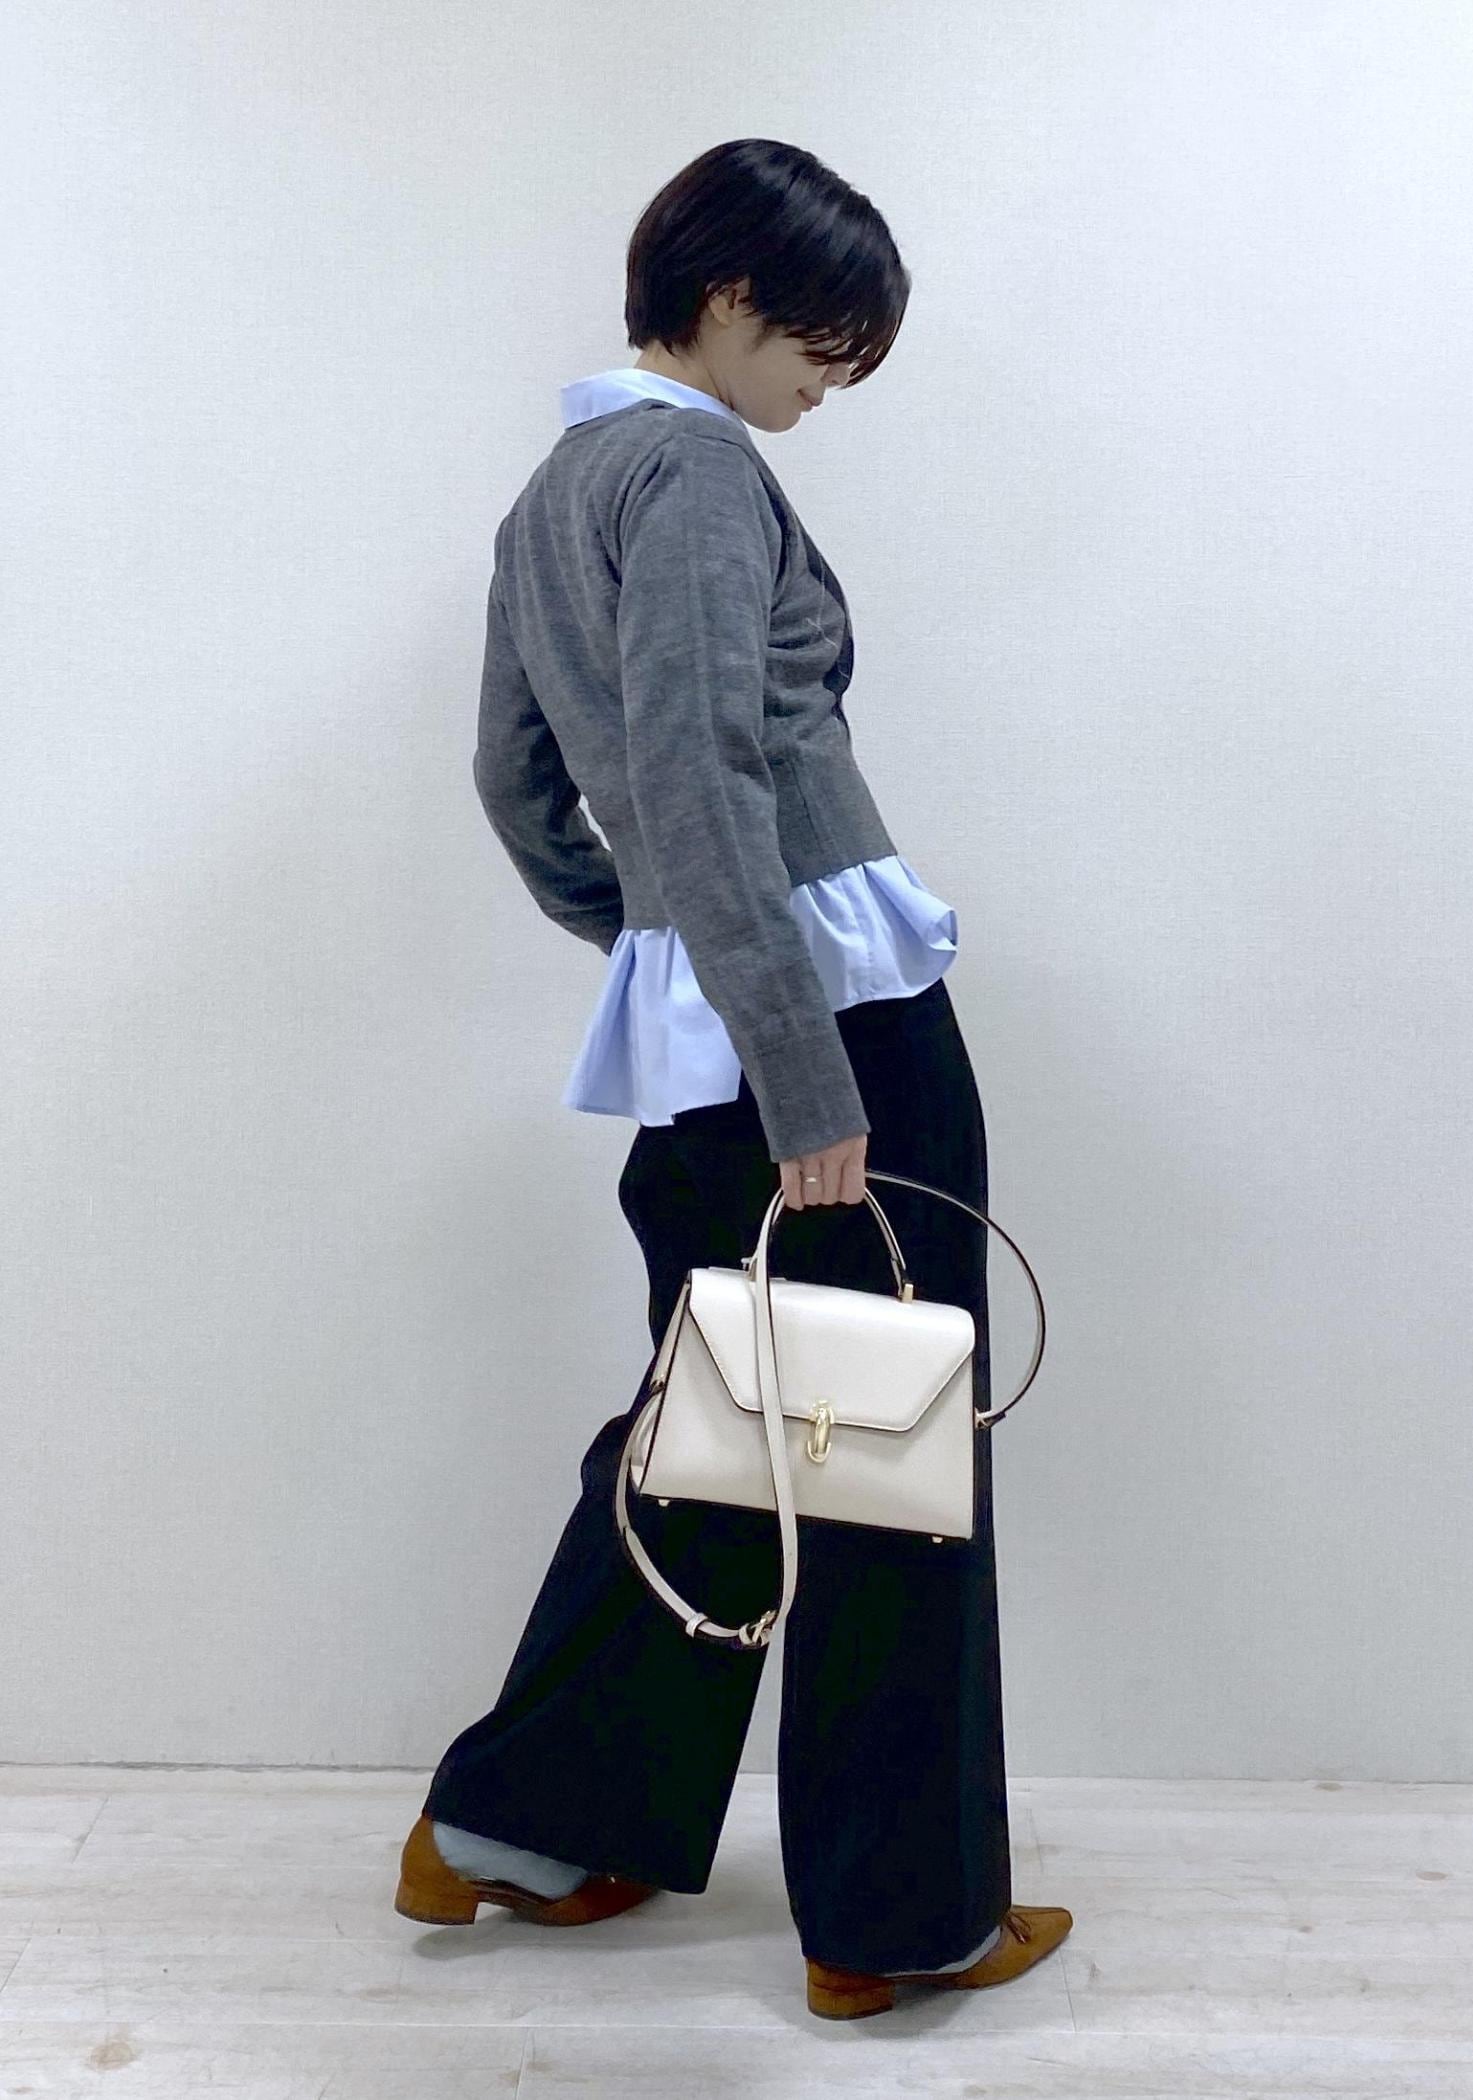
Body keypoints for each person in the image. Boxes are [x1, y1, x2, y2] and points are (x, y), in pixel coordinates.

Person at [393, 136, 1072, 2020]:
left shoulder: (554, 490)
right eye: (824, 342)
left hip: (713, 1025)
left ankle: (526, 1823)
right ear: (728, 296)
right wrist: (799, 1061)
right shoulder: (691, 468)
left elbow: (518, 782)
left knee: (734, 1429)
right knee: (880, 1452)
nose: (831, 384)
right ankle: (898, 1921)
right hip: (823, 1026)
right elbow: (700, 763)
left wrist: (658, 948)